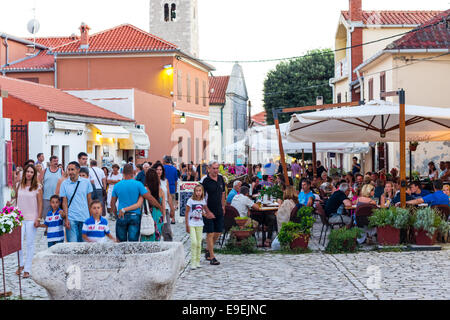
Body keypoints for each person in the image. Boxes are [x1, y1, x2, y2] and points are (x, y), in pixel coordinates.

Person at [111, 164, 162, 242]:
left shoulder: (117, 186)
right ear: (133, 172)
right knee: (133, 243)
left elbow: (112, 203)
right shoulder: (138, 184)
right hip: (135, 215)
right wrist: (159, 206)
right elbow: (149, 198)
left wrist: (115, 213)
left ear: (123, 173)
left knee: (121, 244)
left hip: (121, 215)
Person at [9, 164, 42, 278]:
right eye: (27, 171)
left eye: (31, 172)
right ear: (24, 173)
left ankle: (27, 269)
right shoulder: (19, 185)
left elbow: (40, 204)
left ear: (34, 174)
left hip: (32, 218)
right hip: (20, 218)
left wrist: (38, 218)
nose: (29, 174)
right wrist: (10, 203)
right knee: (18, 244)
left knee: (29, 244)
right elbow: (14, 198)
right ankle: (21, 264)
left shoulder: (37, 186)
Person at [60, 162, 93, 242]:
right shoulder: (64, 184)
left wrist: (92, 218)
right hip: (71, 218)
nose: (70, 172)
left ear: (78, 170)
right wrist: (66, 218)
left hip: (84, 217)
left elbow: (89, 201)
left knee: (84, 247)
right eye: (69, 170)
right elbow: (64, 202)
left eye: (72, 169)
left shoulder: (86, 182)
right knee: (72, 246)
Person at [201, 161, 226, 266]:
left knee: (218, 232)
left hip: (219, 209)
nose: (216, 170)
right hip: (208, 210)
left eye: (217, 168)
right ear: (209, 168)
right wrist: (207, 211)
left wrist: (223, 206)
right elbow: (201, 197)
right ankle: (212, 256)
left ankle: (207, 249)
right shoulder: (205, 180)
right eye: (214, 168)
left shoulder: (220, 178)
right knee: (210, 233)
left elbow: (223, 193)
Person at [185, 185, 210, 269]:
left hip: (200, 224)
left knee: (199, 243)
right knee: (194, 242)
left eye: (200, 191)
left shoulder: (203, 201)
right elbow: (187, 213)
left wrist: (206, 215)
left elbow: (202, 211)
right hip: (192, 224)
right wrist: (187, 225)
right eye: (197, 191)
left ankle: (197, 261)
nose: (198, 192)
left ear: (202, 192)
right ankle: (192, 262)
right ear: (194, 192)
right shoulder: (190, 201)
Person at [152, 162, 175, 241]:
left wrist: (172, 209)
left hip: (166, 208)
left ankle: (169, 248)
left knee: (167, 230)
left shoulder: (165, 181)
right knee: (156, 230)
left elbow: (168, 196)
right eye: (157, 169)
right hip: (155, 208)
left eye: (160, 170)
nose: (159, 171)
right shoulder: (151, 181)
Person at [142, 168, 166, 242]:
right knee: (157, 237)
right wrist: (163, 217)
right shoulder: (161, 191)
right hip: (159, 216)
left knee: (147, 235)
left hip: (148, 215)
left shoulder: (144, 190)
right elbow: (163, 206)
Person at [40, 155, 63, 221]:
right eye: (54, 161)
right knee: (46, 215)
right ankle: (47, 230)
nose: (56, 162)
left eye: (57, 161)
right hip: (46, 197)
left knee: (56, 216)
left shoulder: (61, 171)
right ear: (50, 162)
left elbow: (64, 181)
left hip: (57, 198)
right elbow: (38, 181)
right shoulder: (45, 171)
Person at [163, 155, 178, 224]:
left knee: (163, 203)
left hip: (164, 187)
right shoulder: (174, 168)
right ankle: (173, 219)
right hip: (172, 187)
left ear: (165, 161)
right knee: (172, 204)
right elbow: (176, 180)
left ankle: (164, 217)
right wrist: (175, 189)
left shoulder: (163, 168)